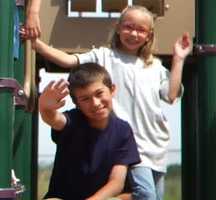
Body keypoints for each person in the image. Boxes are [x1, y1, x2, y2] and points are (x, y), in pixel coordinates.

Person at [33, 5, 192, 200]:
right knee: (146, 195)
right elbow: (68, 61)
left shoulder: (154, 66)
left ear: (149, 35)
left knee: (154, 197)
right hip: (131, 143)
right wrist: (36, 44)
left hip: (155, 144)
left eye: (141, 30)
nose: (133, 33)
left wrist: (179, 59)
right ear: (118, 28)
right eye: (128, 27)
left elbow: (171, 94)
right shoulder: (104, 56)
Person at [39, 63, 141, 200]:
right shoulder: (73, 121)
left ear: (112, 90)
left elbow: (116, 183)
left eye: (99, 94)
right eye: (85, 99)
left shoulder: (122, 130)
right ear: (77, 103)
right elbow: (54, 118)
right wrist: (45, 107)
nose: (95, 103)